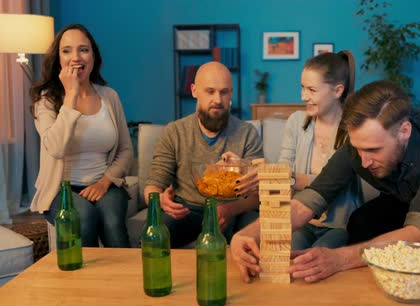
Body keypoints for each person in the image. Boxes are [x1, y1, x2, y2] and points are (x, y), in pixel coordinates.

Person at [231, 80, 420, 286]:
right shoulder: (359, 145)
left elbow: (418, 232)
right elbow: (307, 202)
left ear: (404, 130)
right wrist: (248, 233)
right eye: (358, 149)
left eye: (373, 150)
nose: (363, 161)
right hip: (403, 198)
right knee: (362, 221)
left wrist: (337, 259)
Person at [30, 24, 133, 248]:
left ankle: (125, 280)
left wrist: (105, 182)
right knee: (83, 218)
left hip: (103, 183)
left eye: (83, 50)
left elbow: (126, 149)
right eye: (67, 50)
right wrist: (72, 96)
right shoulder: (45, 101)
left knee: (113, 222)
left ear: (93, 56)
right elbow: (55, 148)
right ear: (58, 59)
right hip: (61, 189)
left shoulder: (109, 96)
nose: (76, 57)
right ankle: (84, 282)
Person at [144, 61, 263, 248]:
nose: (218, 99)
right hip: (187, 210)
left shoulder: (247, 133)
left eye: (224, 92)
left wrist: (228, 210)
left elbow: (257, 194)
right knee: (155, 236)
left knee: (261, 234)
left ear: (231, 93)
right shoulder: (174, 132)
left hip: (236, 210)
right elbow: (153, 185)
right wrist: (160, 201)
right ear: (194, 91)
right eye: (210, 91)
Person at [278, 51, 362, 250]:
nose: (303, 96)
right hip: (302, 222)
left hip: (340, 225)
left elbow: (336, 184)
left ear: (337, 91)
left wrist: (294, 179)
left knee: (317, 258)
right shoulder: (296, 122)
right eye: (302, 88)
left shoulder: (354, 130)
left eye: (312, 90)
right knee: (292, 256)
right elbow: (282, 170)